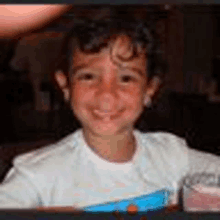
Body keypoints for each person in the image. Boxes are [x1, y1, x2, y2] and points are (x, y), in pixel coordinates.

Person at [0, 5, 219, 212]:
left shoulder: (172, 156)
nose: (106, 93)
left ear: (149, 89)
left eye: (126, 78)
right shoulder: (37, 175)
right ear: (66, 86)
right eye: (88, 76)